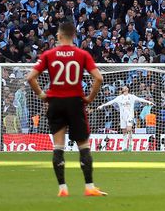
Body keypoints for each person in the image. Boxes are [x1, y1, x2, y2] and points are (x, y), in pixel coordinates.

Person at [27, 20, 107, 197]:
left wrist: (42, 94)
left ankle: (62, 189)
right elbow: (99, 78)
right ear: (74, 36)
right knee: (83, 145)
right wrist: (89, 98)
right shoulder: (82, 54)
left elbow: (31, 77)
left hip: (55, 102)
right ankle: (89, 187)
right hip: (75, 102)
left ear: (59, 35)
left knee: (58, 146)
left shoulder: (49, 54)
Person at [98, 85, 152, 152]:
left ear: (127, 89)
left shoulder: (132, 97)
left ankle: (130, 145)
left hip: (130, 116)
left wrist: (148, 102)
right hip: (122, 117)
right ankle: (124, 147)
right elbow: (111, 102)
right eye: (123, 87)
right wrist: (102, 105)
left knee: (129, 129)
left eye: (125, 87)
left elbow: (140, 99)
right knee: (124, 132)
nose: (124, 87)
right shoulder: (119, 98)